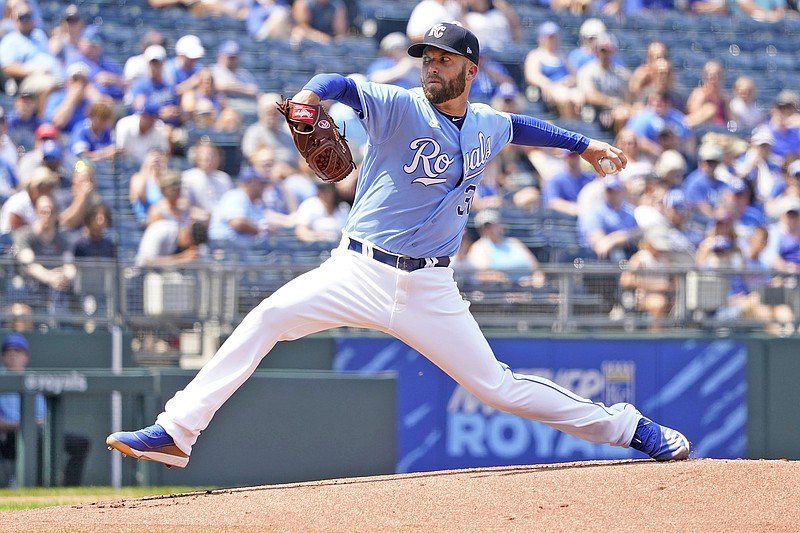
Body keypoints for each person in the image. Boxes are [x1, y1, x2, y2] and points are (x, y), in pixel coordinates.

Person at [107, 22, 689, 469]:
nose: (430, 68)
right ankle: (177, 433)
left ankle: (630, 429)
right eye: (427, 59)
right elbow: (340, 86)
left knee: (497, 387)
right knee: (268, 317)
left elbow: (524, 126)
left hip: (430, 286)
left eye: (442, 59)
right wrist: (311, 96)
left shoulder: (486, 122)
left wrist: (584, 144)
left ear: (471, 68)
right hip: (356, 270)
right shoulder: (398, 105)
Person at [0, 333, 90, 487]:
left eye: (17, 351)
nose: (13, 356)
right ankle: (34, 484)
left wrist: (34, 424)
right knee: (37, 437)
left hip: (38, 432)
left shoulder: (34, 381)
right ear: (3, 356)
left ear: (25, 357)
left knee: (81, 442)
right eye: (9, 352)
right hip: (10, 438)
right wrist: (22, 425)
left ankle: (68, 487)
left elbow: (44, 418)